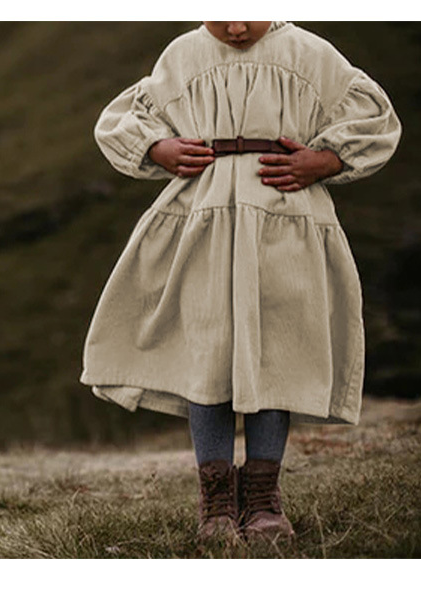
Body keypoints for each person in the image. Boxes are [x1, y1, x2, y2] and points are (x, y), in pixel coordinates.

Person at [79, 21, 401, 547]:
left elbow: (376, 118)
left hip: (286, 223)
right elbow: (120, 120)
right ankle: (217, 502)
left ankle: (263, 498)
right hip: (203, 224)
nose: (234, 27)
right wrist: (157, 147)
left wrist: (324, 161)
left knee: (275, 352)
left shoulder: (309, 53)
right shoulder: (183, 54)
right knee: (209, 354)